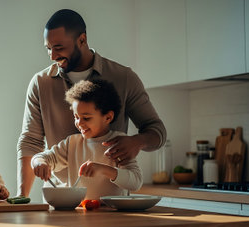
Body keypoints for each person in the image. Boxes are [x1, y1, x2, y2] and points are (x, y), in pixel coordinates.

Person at [17, 9, 166, 197]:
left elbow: (157, 130)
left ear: (82, 39)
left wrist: (137, 142)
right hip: (64, 201)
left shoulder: (124, 78)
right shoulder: (40, 83)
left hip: (113, 203)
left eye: (59, 47)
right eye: (48, 48)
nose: (52, 56)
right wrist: (22, 198)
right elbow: (30, 142)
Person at [31, 80, 142, 199]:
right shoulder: (72, 143)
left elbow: (136, 182)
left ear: (108, 117)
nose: (79, 123)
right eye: (76, 117)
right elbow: (42, 157)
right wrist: (39, 163)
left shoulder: (119, 143)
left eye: (86, 118)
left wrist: (104, 170)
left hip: (114, 215)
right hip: (81, 213)